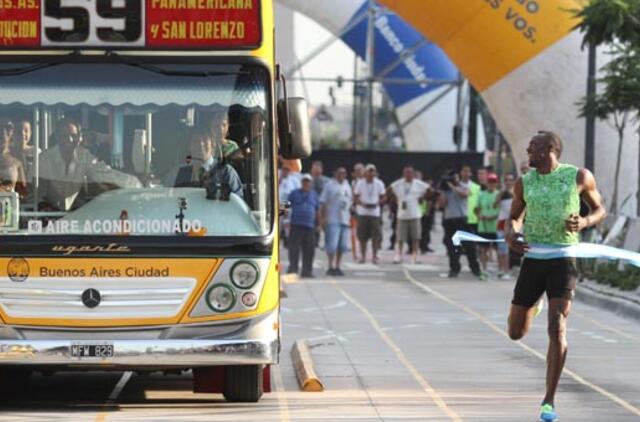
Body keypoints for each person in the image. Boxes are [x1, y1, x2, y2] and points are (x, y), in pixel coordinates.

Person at [505, 131, 606, 422]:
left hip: (564, 258)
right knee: (515, 333)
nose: (527, 150)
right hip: (533, 259)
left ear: (549, 149)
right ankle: (534, 305)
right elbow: (513, 218)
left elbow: (600, 209)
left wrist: (585, 220)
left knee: (557, 326)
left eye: (532, 147)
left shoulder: (579, 177)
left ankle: (549, 401)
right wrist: (512, 234)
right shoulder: (525, 182)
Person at [38, 119, 141, 211]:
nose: (69, 140)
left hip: (71, 215)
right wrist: (41, 205)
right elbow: (34, 190)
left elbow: (104, 173)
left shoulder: (84, 156)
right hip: (42, 215)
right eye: (64, 136)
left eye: (73, 136)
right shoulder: (43, 159)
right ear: (57, 136)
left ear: (79, 137)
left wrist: (134, 184)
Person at [165, 129, 242, 195]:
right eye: (196, 141)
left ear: (213, 145)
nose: (201, 144)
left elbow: (237, 203)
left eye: (205, 140)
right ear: (189, 147)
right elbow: (167, 198)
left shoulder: (227, 173)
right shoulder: (177, 173)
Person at [438, 169, 482, 278]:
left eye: (455, 178)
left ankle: (475, 268)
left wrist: (453, 187)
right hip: (449, 220)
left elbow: (465, 194)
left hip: (462, 220)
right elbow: (441, 204)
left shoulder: (463, 186)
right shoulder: (446, 189)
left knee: (469, 246)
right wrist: (442, 191)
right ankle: (454, 269)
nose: (454, 180)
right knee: (452, 247)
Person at [389, 165, 429, 264]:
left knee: (416, 236)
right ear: (403, 173)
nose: (408, 174)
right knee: (400, 237)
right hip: (402, 214)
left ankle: (415, 255)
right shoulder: (398, 184)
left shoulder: (418, 184)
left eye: (410, 172)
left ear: (413, 173)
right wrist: (393, 200)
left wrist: (423, 198)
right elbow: (389, 190)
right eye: (406, 172)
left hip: (415, 214)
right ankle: (399, 255)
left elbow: (429, 190)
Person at [319, 167, 352, 276]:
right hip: (332, 219)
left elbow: (350, 202)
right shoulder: (329, 185)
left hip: (345, 219)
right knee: (332, 245)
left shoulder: (347, 185)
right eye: (339, 173)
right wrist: (323, 218)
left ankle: (338, 266)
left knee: (342, 245)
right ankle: (330, 266)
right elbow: (323, 202)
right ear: (335, 173)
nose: (341, 175)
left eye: (343, 173)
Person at [287, 174, 320, 278]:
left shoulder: (314, 195)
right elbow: (286, 205)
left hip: (310, 226)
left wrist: (319, 224)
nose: (306, 184)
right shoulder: (294, 193)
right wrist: (285, 220)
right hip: (296, 224)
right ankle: (293, 269)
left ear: (310, 183)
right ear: (302, 183)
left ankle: (307, 271)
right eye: (304, 182)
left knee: (309, 249)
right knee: (294, 248)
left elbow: (318, 209)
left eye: (308, 182)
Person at [354, 164, 385, 264]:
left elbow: (384, 197)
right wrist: (362, 204)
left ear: (375, 173)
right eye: (369, 171)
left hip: (375, 213)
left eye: (373, 171)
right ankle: (363, 256)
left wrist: (377, 203)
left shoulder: (379, 183)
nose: (371, 174)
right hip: (363, 212)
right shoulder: (360, 183)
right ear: (365, 173)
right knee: (362, 236)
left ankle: (374, 256)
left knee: (376, 236)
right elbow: (355, 197)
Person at [475, 173, 500, 279]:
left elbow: (502, 209)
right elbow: (476, 208)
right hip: (483, 226)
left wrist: (493, 217)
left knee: (497, 249)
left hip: (496, 226)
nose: (491, 184)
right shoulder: (481, 194)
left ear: (496, 183)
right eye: (490, 182)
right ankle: (483, 269)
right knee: (483, 249)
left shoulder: (499, 194)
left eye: (493, 182)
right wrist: (480, 215)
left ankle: (500, 270)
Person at [0, 118, 26, 196]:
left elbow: (22, 193)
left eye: (8, 128)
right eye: (0, 128)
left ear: (12, 132)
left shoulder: (17, 162)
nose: (3, 133)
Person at [496, 174, 515, 279]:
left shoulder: (516, 193)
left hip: (512, 223)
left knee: (506, 248)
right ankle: (501, 270)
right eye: (506, 180)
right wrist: (503, 191)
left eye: (510, 180)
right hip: (501, 222)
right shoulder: (502, 193)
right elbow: (495, 204)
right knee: (501, 248)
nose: (508, 182)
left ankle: (506, 270)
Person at [461, 166, 481, 233]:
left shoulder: (476, 187)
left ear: (471, 174)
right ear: (461, 172)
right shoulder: (457, 186)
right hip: (460, 218)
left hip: (473, 219)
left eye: (468, 171)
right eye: (464, 171)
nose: (466, 173)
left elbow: (479, 203)